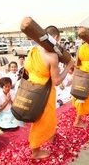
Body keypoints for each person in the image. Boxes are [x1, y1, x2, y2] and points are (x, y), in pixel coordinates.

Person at [26, 25, 74, 159]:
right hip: (44, 93)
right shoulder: (52, 56)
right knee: (42, 121)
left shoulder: (33, 50)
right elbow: (57, 81)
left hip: (30, 88)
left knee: (45, 118)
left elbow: (27, 69)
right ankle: (35, 151)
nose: (59, 43)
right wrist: (68, 67)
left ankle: (51, 135)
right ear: (55, 38)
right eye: (59, 40)